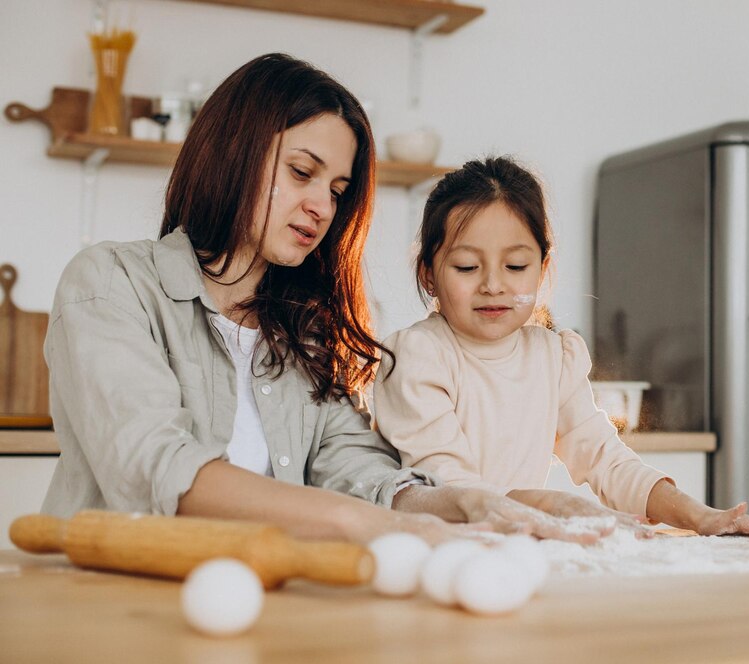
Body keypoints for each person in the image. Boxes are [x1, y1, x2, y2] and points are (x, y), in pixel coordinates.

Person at [40, 54, 602, 544]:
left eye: (336, 190)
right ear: (234, 153)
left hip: (267, 606)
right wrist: (358, 524)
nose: (322, 207)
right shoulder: (112, 285)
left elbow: (358, 468)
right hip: (118, 614)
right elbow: (157, 468)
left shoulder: (302, 332)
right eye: (302, 172)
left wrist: (469, 504)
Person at [374, 156, 749, 535]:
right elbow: (452, 488)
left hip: (514, 550)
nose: (493, 285)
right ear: (429, 273)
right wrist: (546, 506)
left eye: (516, 265)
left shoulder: (552, 357)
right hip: (434, 555)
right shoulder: (416, 357)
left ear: (542, 272)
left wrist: (700, 516)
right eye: (467, 266)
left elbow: (606, 459)